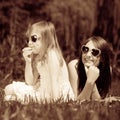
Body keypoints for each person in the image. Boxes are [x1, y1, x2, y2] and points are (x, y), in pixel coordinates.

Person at [4, 21, 75, 103]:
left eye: (34, 39)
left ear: (46, 39)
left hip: (56, 93)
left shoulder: (52, 55)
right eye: (28, 39)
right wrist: (28, 61)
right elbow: (30, 82)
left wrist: (56, 103)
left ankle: (18, 99)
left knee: (9, 97)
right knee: (8, 89)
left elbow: (54, 81)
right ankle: (18, 99)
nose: (30, 43)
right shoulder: (39, 56)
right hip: (43, 89)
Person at [68, 36, 112, 102]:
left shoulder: (108, 70)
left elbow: (100, 104)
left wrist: (92, 81)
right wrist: (90, 81)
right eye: (85, 49)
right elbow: (76, 102)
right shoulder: (74, 66)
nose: (88, 54)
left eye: (94, 52)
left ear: (102, 58)